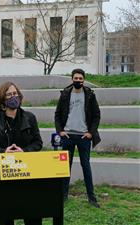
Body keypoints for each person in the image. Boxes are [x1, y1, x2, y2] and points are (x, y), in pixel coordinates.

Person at [0, 82, 43, 225]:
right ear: (2, 99)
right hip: (3, 173)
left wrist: (25, 151)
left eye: (15, 94)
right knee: (3, 215)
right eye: (9, 94)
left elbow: (38, 143)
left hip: (27, 173)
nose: (13, 97)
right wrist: (4, 152)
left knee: (31, 213)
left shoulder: (30, 117)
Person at [54, 68, 101, 208]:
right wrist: (60, 131)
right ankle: (63, 196)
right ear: (72, 79)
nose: (78, 81)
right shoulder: (65, 94)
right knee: (65, 168)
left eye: (81, 79)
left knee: (86, 166)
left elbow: (96, 115)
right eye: (76, 78)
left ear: (84, 80)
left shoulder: (90, 95)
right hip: (68, 136)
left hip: (83, 137)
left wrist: (91, 133)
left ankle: (91, 198)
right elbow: (57, 114)